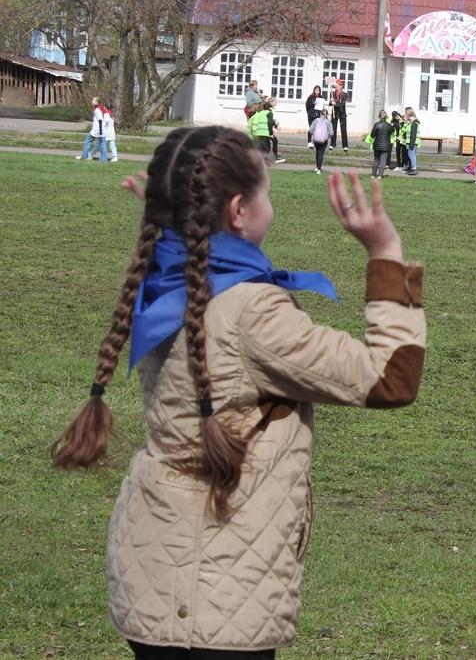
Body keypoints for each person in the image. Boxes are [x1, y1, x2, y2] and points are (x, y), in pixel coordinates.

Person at [51, 126, 425, 658]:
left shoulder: (165, 274)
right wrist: (386, 251)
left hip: (156, 573)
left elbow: (187, 243)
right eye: (265, 192)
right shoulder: (251, 313)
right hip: (216, 594)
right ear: (238, 212)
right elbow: (391, 377)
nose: (271, 204)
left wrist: (171, 206)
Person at [366, 110, 393, 180]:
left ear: (379, 116)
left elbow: (372, 135)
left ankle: (373, 175)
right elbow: (391, 133)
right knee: (383, 161)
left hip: (377, 144)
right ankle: (380, 176)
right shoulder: (389, 126)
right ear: (386, 117)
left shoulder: (376, 124)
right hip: (386, 145)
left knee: (376, 159)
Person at [77, 97, 106, 161]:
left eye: (93, 100)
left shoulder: (97, 110)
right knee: (101, 144)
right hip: (99, 130)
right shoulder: (99, 109)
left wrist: (100, 130)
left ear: (96, 102)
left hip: (96, 130)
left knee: (87, 141)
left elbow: (100, 120)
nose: (92, 101)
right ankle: (103, 159)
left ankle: (85, 156)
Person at [310, 104, 331, 173]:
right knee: (321, 153)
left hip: (316, 140)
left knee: (318, 152)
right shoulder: (328, 122)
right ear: (326, 115)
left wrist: (315, 134)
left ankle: (317, 167)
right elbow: (331, 133)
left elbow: (310, 130)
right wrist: (327, 136)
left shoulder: (316, 120)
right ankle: (319, 169)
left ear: (320, 114)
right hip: (324, 140)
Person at [329, 77, 349, 152]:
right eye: (336, 84)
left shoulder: (345, 94)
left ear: (341, 86)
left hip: (342, 114)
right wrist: (331, 102)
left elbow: (342, 104)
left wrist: (335, 103)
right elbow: (330, 104)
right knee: (333, 129)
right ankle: (332, 144)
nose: (336, 86)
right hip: (334, 113)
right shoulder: (332, 93)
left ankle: (345, 145)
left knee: (343, 129)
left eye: (337, 84)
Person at [265, 97, 285, 164]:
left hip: (270, 127)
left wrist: (276, 124)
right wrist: (275, 123)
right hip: (269, 128)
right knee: (273, 141)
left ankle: (272, 157)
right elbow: (270, 119)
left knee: (270, 142)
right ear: (271, 102)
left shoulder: (272, 109)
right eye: (274, 102)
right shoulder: (269, 109)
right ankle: (275, 157)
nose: (276, 103)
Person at [402, 107, 420, 175]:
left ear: (408, 114)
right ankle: (411, 168)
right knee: (412, 155)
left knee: (411, 155)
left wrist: (412, 144)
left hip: (412, 142)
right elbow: (404, 130)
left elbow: (413, 135)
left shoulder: (414, 123)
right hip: (410, 142)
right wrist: (406, 123)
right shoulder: (411, 122)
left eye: (406, 113)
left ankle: (414, 169)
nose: (405, 115)